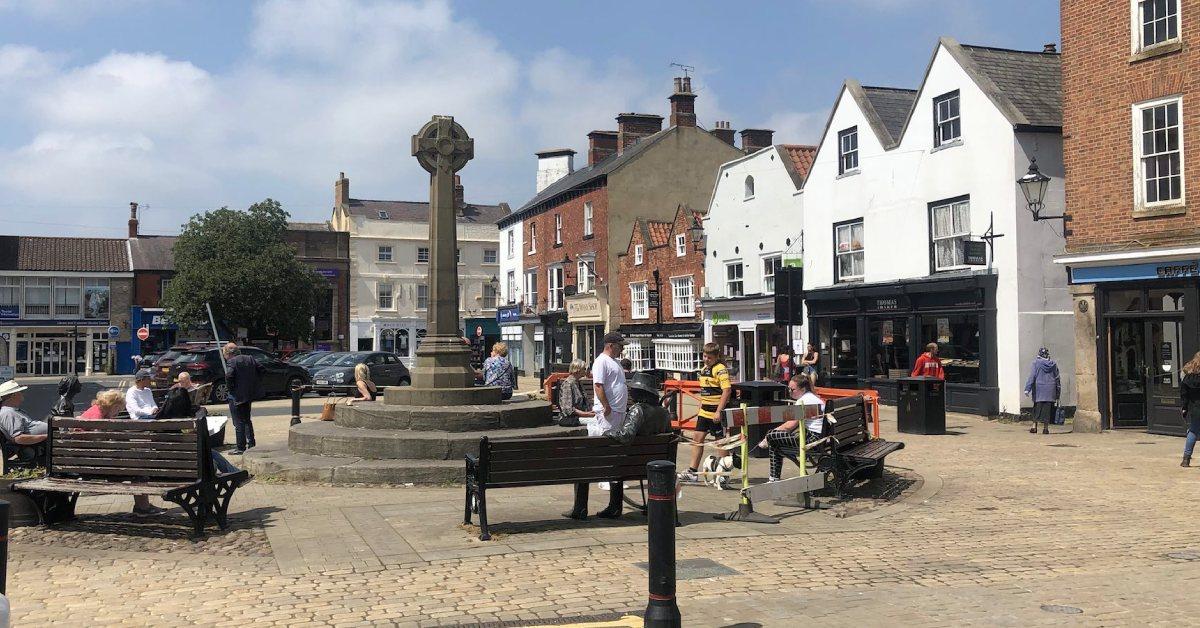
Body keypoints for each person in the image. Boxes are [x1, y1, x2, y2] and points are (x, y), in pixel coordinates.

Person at [79, 389, 165, 514]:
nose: (117, 413)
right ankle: (143, 507)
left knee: (136, 465)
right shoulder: (99, 418)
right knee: (139, 469)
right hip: (96, 464)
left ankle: (143, 506)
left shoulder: (95, 411)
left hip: (85, 461)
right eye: (118, 410)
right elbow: (99, 444)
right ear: (112, 406)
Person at [680, 343, 736, 488]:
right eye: (704, 356)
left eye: (709, 357)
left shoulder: (721, 369)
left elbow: (727, 391)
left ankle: (724, 474)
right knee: (697, 439)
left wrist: (718, 411)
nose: (706, 360)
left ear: (717, 357)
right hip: (704, 412)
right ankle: (692, 472)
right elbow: (705, 391)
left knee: (720, 442)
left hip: (716, 412)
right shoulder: (704, 370)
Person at [763, 376, 825, 482]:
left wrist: (767, 437)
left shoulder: (803, 401)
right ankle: (773, 478)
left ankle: (774, 478)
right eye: (789, 389)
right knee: (774, 440)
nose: (790, 392)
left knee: (771, 437)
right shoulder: (812, 397)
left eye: (792, 389)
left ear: (803, 389)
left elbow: (790, 425)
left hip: (812, 440)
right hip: (820, 438)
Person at [224, 343, 264, 455]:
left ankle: (240, 447)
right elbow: (262, 369)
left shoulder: (232, 361)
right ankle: (251, 444)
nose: (225, 357)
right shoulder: (250, 358)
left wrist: (231, 388)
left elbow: (229, 376)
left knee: (238, 422)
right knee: (247, 420)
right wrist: (254, 382)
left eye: (225, 355)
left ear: (228, 353)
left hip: (236, 395)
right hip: (248, 394)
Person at [590, 332, 629, 437]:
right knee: (608, 439)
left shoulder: (616, 362)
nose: (622, 349)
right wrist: (606, 406)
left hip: (618, 410)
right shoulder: (601, 361)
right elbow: (598, 385)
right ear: (610, 345)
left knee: (617, 440)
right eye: (620, 346)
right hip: (609, 410)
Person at [1023, 347, 1061, 435]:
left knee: (1037, 408)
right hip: (1050, 389)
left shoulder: (1036, 363)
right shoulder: (1053, 364)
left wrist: (1027, 388)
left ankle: (1034, 427)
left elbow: (1032, 376)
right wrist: (1058, 391)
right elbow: (1057, 378)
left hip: (1039, 389)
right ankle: (1045, 428)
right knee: (1047, 409)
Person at [0, 380, 48, 446]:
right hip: (40, 446)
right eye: (20, 392)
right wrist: (46, 436)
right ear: (14, 395)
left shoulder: (12, 411)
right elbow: (19, 438)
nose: (22, 394)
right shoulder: (8, 413)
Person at [557, 359, 595, 427]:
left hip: (581, 415)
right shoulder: (568, 384)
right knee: (596, 421)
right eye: (584, 368)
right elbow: (568, 409)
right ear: (577, 370)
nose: (586, 371)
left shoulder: (578, 382)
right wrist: (587, 414)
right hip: (571, 418)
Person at [1180, 352, 1200, 467]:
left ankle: (1186, 459)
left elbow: (1184, 395)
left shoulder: (1187, 378)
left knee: (1193, 431)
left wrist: (1184, 407)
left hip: (1195, 407)